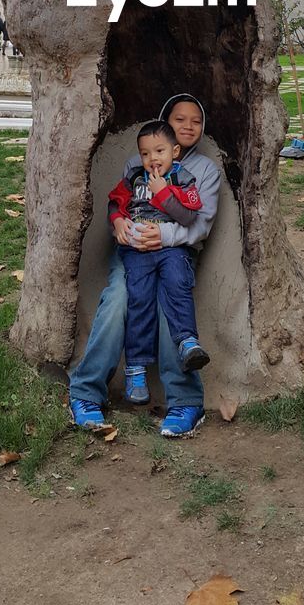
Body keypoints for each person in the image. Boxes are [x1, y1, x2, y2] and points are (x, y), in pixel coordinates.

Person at [69, 94, 219, 438]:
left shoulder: (204, 172)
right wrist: (118, 224)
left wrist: (162, 236)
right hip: (134, 251)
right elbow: (120, 204)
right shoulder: (137, 164)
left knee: (170, 307)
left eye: (196, 121)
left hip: (174, 254)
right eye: (179, 119)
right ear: (166, 121)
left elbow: (200, 225)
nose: (188, 126)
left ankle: (185, 400)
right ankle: (86, 392)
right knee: (118, 299)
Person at [109, 120, 209, 404]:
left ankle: (187, 342)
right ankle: (136, 368)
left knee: (178, 284)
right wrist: (116, 219)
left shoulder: (183, 179)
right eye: (145, 153)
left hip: (170, 249)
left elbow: (189, 217)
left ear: (175, 152)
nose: (153, 159)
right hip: (137, 248)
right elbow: (115, 201)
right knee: (138, 298)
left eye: (160, 151)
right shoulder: (134, 177)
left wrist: (163, 191)